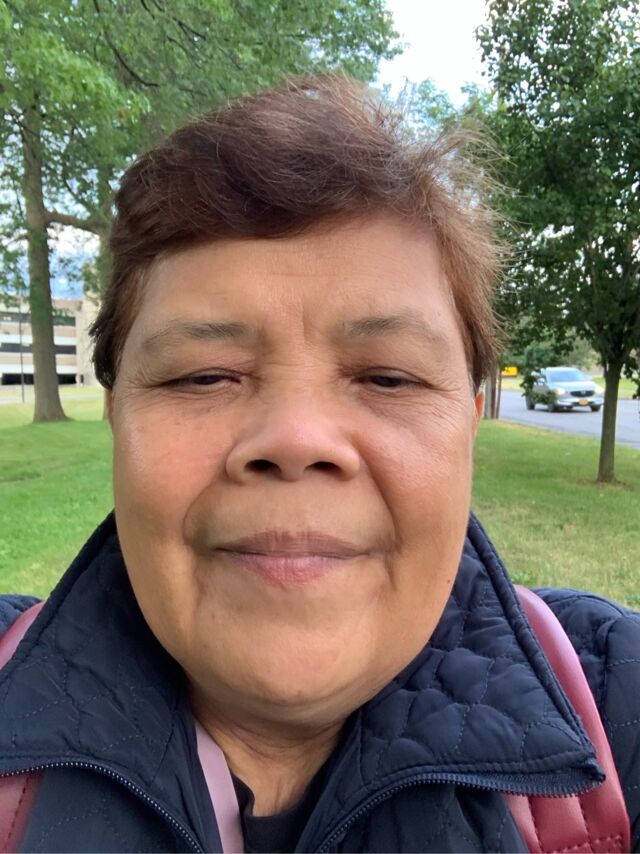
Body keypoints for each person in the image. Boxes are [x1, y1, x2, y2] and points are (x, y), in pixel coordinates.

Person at [0, 76, 638, 854]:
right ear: (118, 414)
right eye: (203, 376)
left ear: (469, 426)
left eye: (388, 378)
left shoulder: (621, 698)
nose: (296, 438)